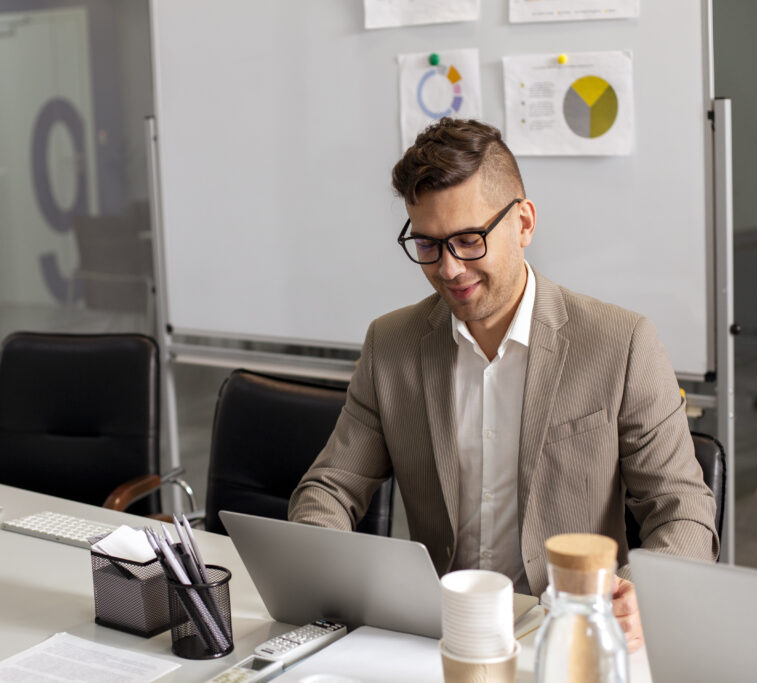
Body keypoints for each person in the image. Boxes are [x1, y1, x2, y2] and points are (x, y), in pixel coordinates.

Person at [288, 117, 718, 652]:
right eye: (427, 244)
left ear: (523, 223)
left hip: (569, 634)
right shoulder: (391, 345)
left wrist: (642, 598)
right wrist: (325, 566)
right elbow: (329, 488)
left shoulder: (621, 343)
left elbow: (683, 508)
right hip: (439, 637)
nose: (449, 269)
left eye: (469, 241)